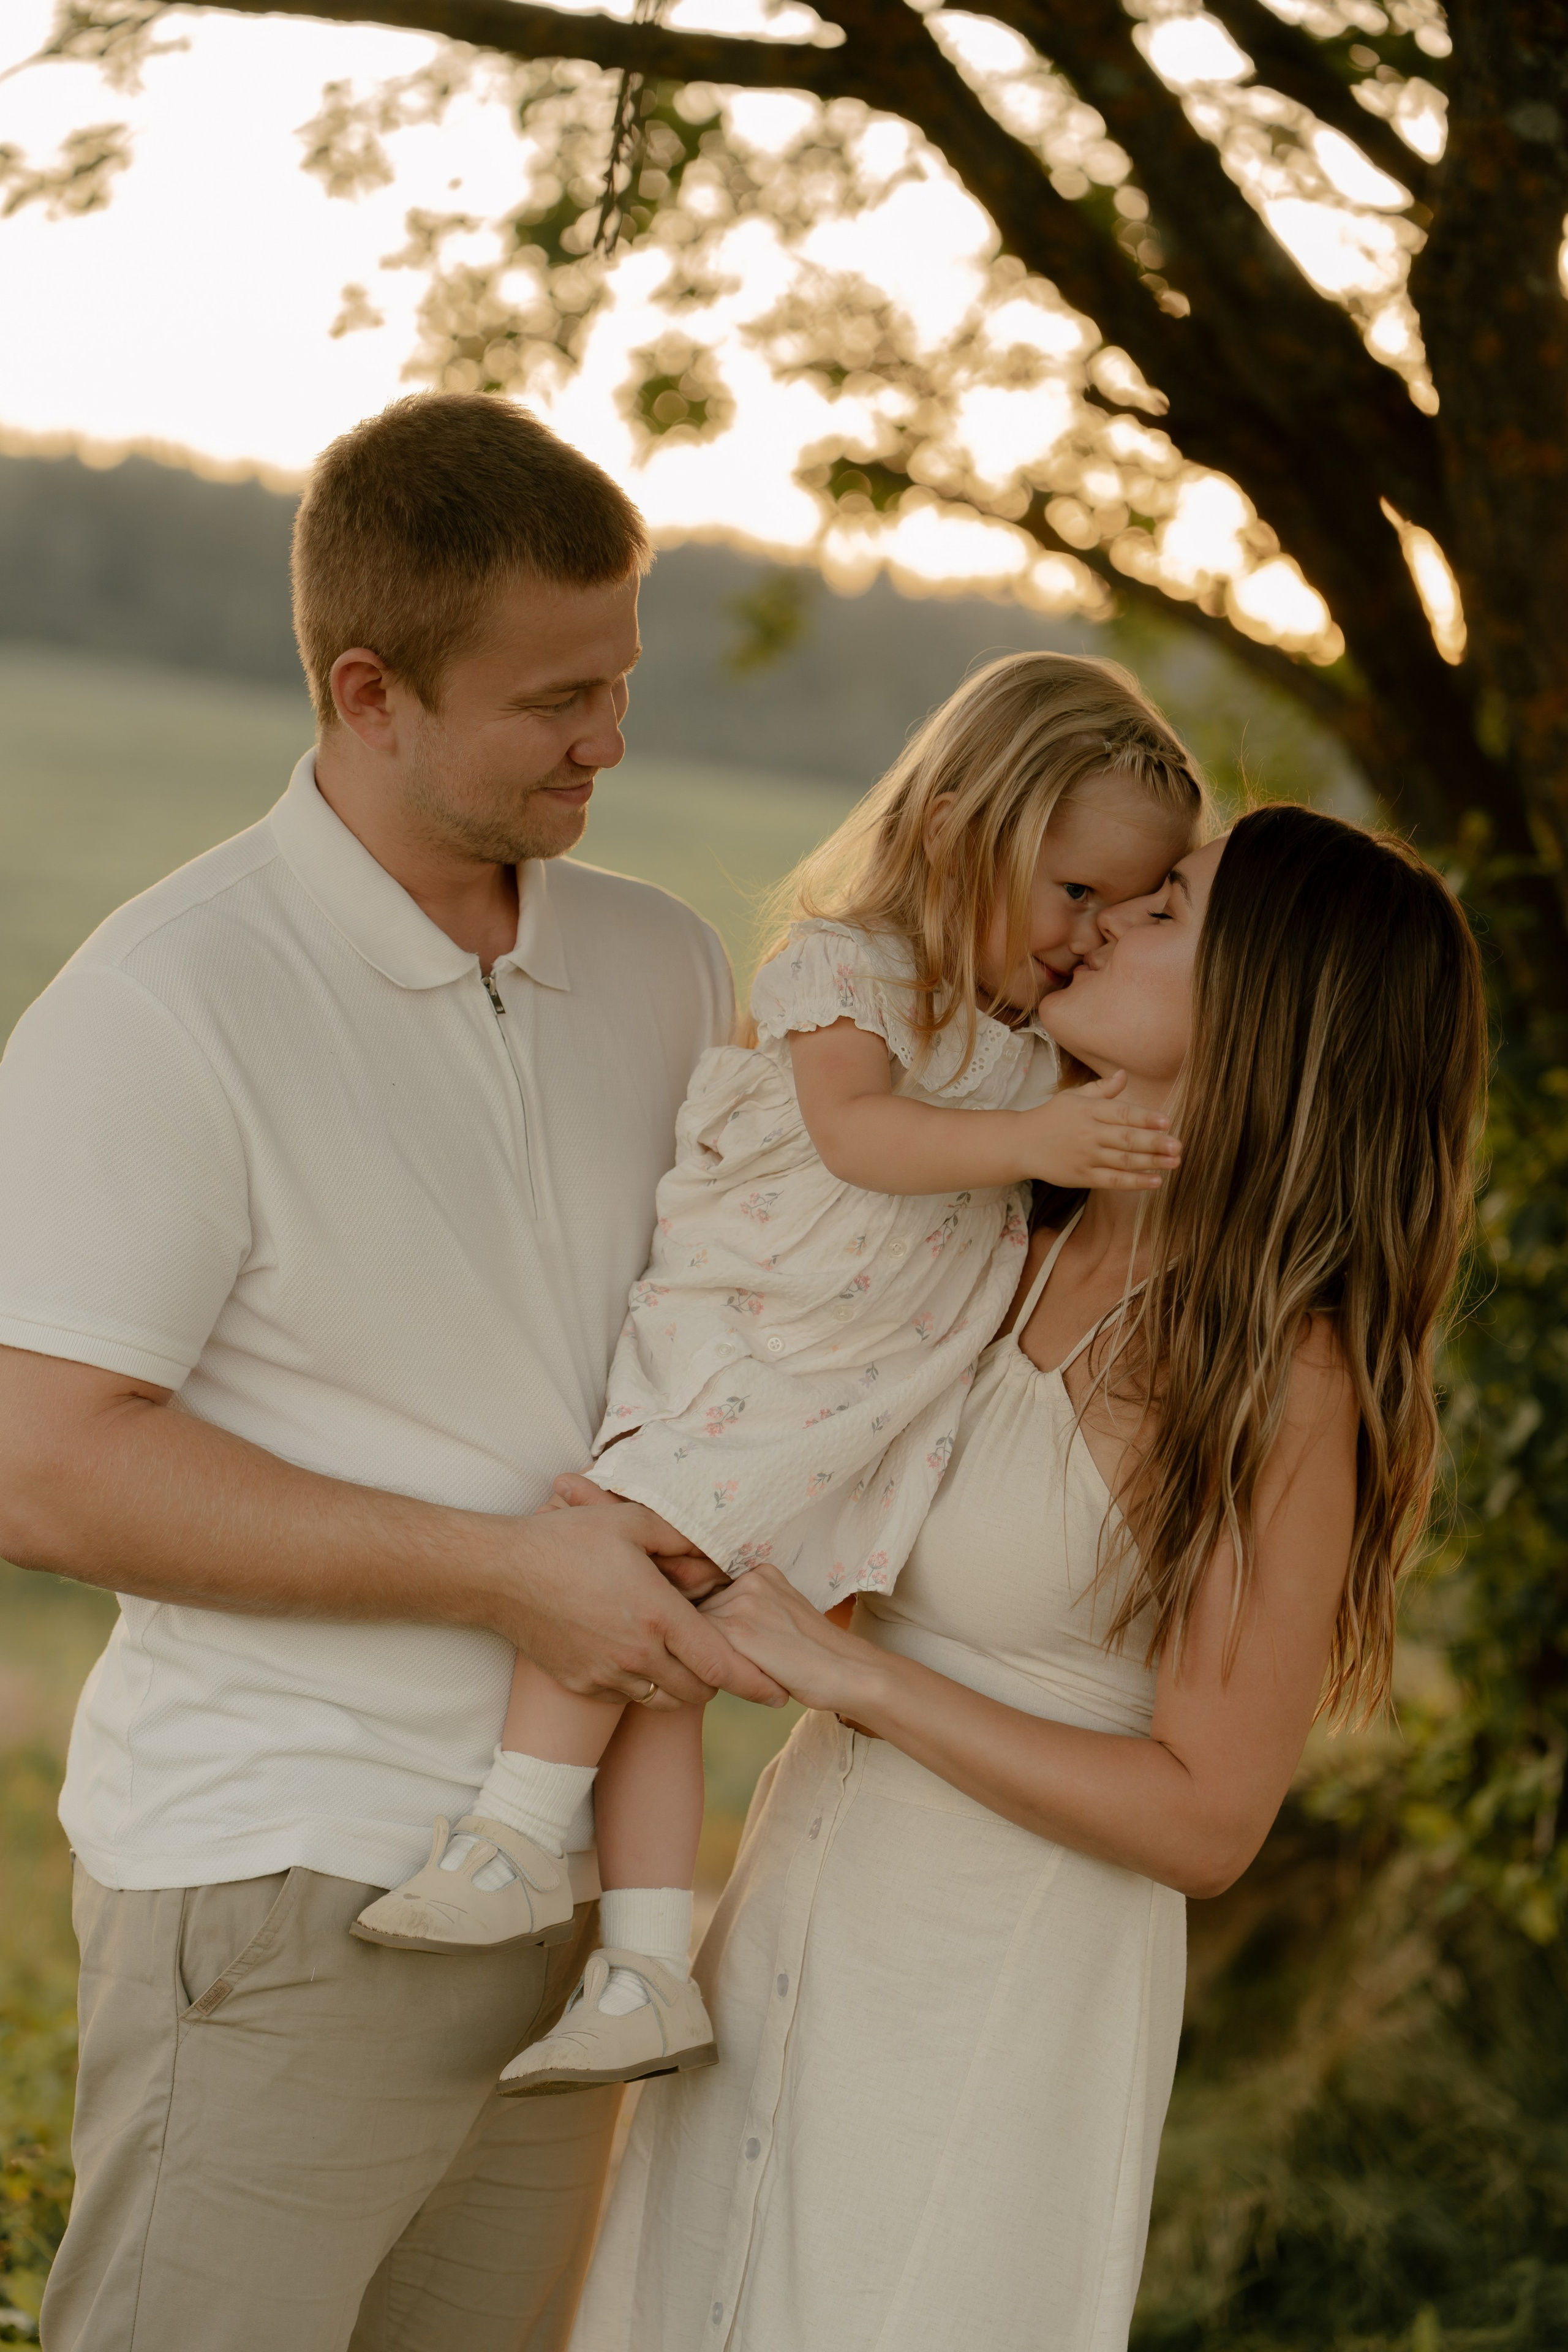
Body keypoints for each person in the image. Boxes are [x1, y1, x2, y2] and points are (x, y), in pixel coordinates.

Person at [0, 390, 788, 2352]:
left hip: (594, 1906)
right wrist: (509, 1574)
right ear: (372, 691)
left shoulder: (664, 961)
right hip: (295, 1878)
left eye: (620, 677)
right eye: (554, 702)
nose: (611, 738)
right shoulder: (171, 1002)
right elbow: (42, 1467)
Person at [568, 802, 1487, 2352]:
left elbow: (1206, 1817)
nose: (1109, 917)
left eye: (1167, 911)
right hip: (805, 1899)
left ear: (1264, 1002)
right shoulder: (993, 1224)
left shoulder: (1279, 1373)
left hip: (998, 1980)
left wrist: (854, 1673)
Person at [358, 655, 1208, 2103]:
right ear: (953, 829)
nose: (1085, 942)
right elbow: (860, 1139)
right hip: (754, 1352)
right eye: (1073, 896)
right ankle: (514, 1834)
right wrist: (1037, 1146)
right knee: (620, 1567)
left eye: (1125, 913)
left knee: (659, 1643)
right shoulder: (845, 970)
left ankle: (635, 1957)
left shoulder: (1026, 1053)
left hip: (849, 1408)